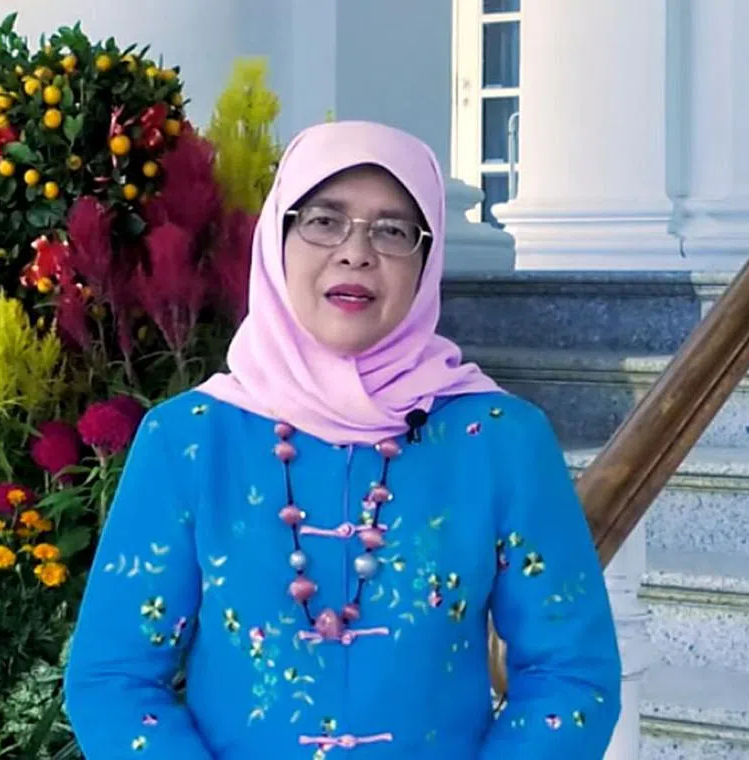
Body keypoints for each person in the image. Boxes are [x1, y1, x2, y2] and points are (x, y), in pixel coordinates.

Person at [63, 120, 622, 759]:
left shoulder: (499, 440)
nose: (356, 252)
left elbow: (570, 673)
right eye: (324, 221)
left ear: (427, 261)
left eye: (393, 230)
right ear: (277, 239)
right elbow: (114, 679)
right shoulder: (189, 439)